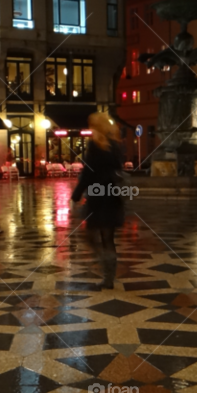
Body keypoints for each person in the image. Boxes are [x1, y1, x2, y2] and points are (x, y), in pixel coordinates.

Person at [71, 112, 125, 290]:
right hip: (112, 195)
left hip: (98, 197)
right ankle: (109, 276)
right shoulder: (115, 146)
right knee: (108, 238)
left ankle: (106, 273)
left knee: (90, 236)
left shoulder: (95, 145)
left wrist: (76, 194)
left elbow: (88, 173)